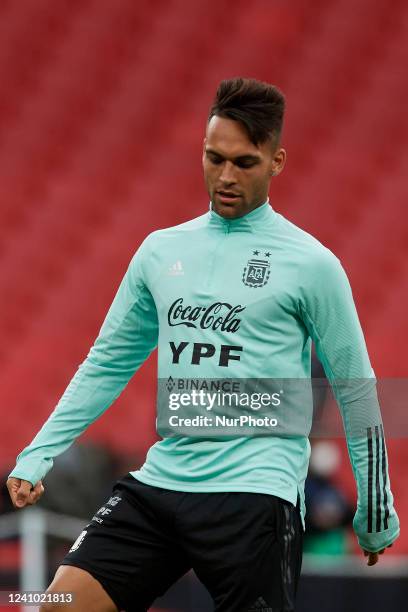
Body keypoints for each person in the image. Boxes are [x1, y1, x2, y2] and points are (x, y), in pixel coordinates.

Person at [7, 78, 399, 612]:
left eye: (244, 162)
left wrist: (375, 509)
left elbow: (356, 391)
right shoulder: (160, 252)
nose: (226, 176)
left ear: (277, 161)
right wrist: (38, 454)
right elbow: (107, 362)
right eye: (214, 158)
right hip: (163, 483)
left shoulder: (313, 265)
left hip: (255, 495)